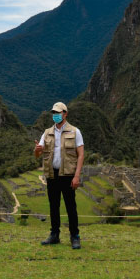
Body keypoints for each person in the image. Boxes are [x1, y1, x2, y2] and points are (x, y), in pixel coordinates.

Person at [34, 102, 84, 249]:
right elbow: (37, 154)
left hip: (68, 174)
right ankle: (54, 234)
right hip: (52, 174)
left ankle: (75, 236)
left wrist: (76, 176)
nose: (55, 115)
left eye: (58, 112)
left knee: (70, 206)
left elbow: (80, 155)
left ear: (65, 113)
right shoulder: (47, 132)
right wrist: (37, 149)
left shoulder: (75, 132)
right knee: (53, 206)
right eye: (53, 113)